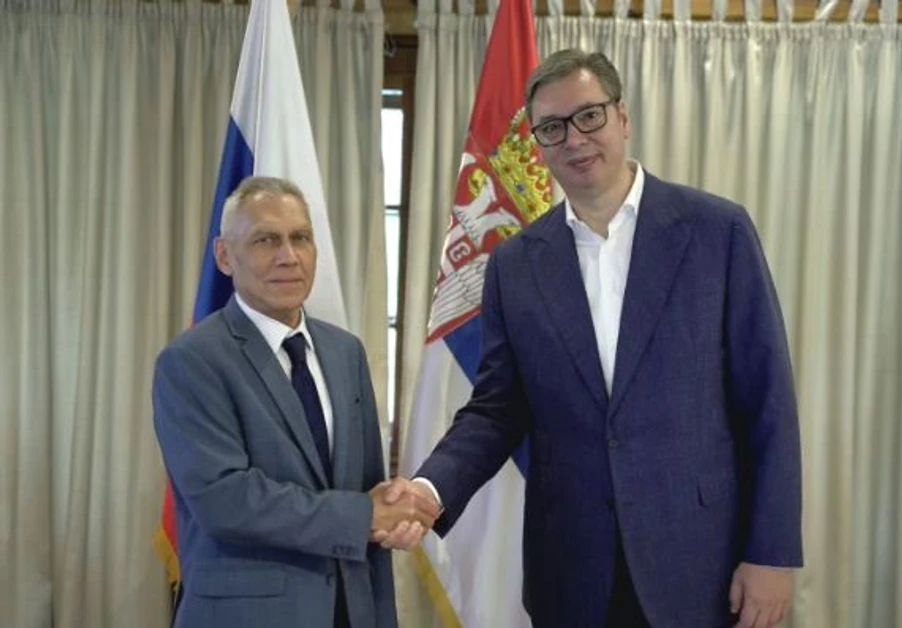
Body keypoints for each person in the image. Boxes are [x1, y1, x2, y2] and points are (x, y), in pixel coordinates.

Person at [390, 49, 803, 628]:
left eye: (589, 116)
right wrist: (429, 489)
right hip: (570, 570)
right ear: (538, 144)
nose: (575, 139)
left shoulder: (717, 231)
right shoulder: (515, 264)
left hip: (700, 562)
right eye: (553, 128)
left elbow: (767, 401)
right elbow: (497, 409)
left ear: (623, 117)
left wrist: (772, 553)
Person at [152, 176, 439, 628]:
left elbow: (365, 489)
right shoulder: (191, 361)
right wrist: (365, 515)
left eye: (300, 238)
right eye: (266, 240)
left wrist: (389, 512)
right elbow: (226, 499)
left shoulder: (345, 352)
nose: (288, 256)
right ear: (224, 256)